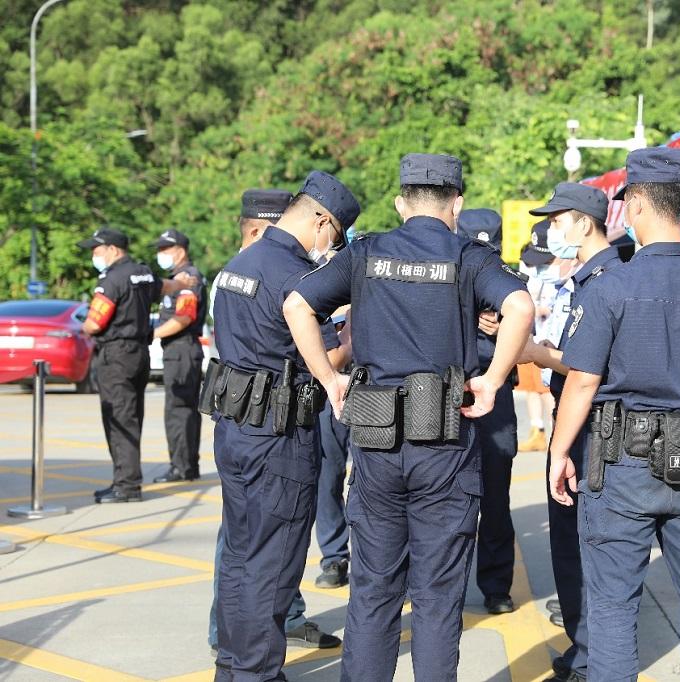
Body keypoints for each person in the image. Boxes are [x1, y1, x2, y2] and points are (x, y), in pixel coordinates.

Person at [283, 153, 534, 681]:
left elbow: (297, 306)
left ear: (401, 204)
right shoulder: (469, 258)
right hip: (444, 442)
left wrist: (329, 380)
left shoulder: (365, 253)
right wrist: (492, 380)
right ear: (456, 204)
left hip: (376, 440)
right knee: (438, 598)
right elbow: (519, 306)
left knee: (374, 591)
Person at [548, 147, 680, 682]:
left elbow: (582, 381)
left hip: (622, 467)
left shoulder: (611, 287)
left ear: (638, 204)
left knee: (613, 606)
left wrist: (558, 452)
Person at [210, 171, 360, 682]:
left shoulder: (240, 263)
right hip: (279, 435)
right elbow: (328, 357)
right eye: (334, 236)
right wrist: (351, 333)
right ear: (321, 221)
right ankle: (256, 673)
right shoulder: (296, 277)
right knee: (272, 565)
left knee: (239, 556)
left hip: (235, 428)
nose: (330, 247)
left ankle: (233, 667)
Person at [519, 181, 621, 682]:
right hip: (577, 421)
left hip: (588, 429)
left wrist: (539, 354)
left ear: (583, 223)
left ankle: (589, 656)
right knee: (569, 544)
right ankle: (583, 647)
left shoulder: (605, 280)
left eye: (558, 221)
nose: (552, 230)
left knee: (582, 545)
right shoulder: (584, 279)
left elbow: (587, 369)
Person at [79, 227, 195, 504]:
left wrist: (83, 328)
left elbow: (94, 323)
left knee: (119, 420)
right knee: (131, 418)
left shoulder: (111, 279)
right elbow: (165, 287)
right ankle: (125, 481)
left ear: (113, 249)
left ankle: (126, 486)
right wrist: (183, 284)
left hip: (116, 357)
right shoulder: (143, 272)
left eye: (97, 250)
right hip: (139, 354)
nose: (94, 256)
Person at [457, 207, 520, 614]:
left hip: (496, 399)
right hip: (455, 393)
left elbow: (532, 340)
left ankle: (496, 586)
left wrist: (506, 330)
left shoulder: (511, 284)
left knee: (496, 498)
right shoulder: (447, 277)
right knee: (448, 497)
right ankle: (444, 582)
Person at [151, 229, 208, 483]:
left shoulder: (188, 279)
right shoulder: (178, 278)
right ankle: (187, 465)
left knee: (178, 411)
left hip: (181, 349)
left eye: (165, 249)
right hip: (179, 350)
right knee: (182, 410)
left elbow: (184, 317)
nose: (160, 254)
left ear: (181, 251)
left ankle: (181, 467)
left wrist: (152, 334)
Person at [314, 306, 353, 589]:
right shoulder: (322, 286)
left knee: (377, 482)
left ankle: (379, 564)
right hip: (332, 390)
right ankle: (334, 557)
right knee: (327, 479)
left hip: (379, 383)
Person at [517, 221, 557, 451]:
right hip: (530, 336)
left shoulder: (559, 277)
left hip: (549, 341)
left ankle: (555, 434)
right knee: (530, 388)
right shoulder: (531, 265)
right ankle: (537, 431)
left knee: (547, 391)